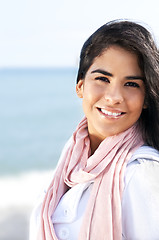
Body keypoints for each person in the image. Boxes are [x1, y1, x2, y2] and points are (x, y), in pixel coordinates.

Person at [30, 20, 159, 240]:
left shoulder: (142, 172)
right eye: (102, 78)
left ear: (146, 98)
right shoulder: (73, 152)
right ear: (80, 86)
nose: (114, 97)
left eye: (131, 84)